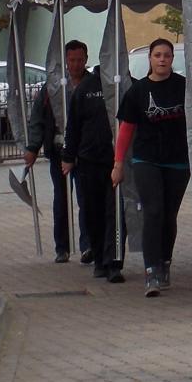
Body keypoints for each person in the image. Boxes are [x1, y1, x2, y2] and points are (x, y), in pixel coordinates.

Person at [112, 38, 188, 297]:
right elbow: (126, 130)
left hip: (178, 160)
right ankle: (151, 270)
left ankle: (165, 261)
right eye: (157, 55)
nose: (162, 59)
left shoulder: (183, 86)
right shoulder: (138, 91)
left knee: (168, 215)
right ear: (150, 59)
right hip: (147, 160)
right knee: (152, 212)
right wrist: (118, 163)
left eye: (167, 55)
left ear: (172, 59)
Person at [24, 40, 91, 262]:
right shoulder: (52, 87)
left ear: (86, 60)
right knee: (61, 199)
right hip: (58, 151)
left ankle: (87, 245)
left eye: (79, 60)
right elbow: (37, 119)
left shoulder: (93, 85)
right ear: (65, 61)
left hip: (85, 152)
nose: (75, 64)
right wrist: (32, 147)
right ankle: (61, 247)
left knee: (86, 198)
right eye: (71, 60)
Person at [62, 61, 123, 283]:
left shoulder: (123, 86)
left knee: (115, 214)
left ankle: (114, 262)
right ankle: (99, 258)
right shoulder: (85, 89)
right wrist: (69, 157)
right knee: (93, 212)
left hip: (116, 162)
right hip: (89, 162)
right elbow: (73, 126)